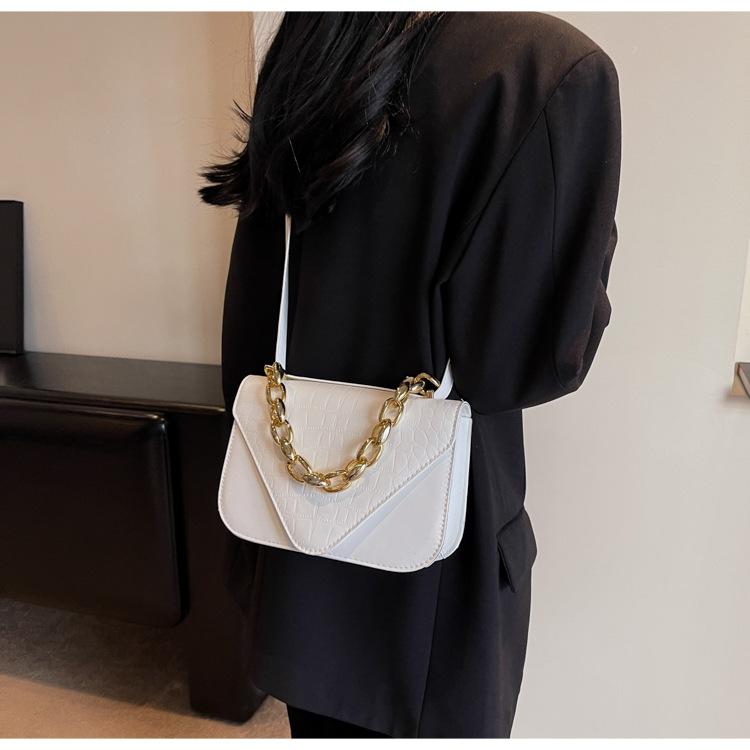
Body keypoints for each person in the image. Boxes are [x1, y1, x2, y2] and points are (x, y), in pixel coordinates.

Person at [199, 11, 621, 739]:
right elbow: (533, 357)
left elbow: (252, 330)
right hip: (435, 576)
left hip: (296, 546)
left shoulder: (312, 43)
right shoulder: (543, 65)